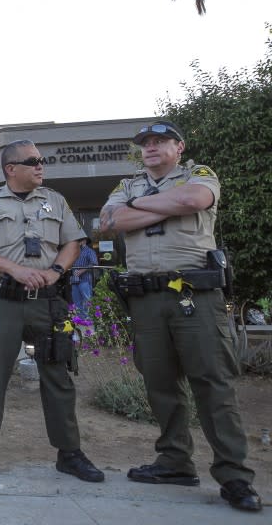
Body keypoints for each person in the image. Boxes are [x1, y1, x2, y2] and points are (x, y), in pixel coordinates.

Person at [100, 120, 261, 512]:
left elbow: (193, 201)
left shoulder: (198, 175)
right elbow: (109, 221)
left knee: (212, 382)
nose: (151, 148)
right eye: (146, 143)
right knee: (159, 383)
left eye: (160, 142)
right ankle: (174, 461)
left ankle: (235, 475)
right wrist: (157, 205)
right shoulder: (127, 185)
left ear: (179, 147)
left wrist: (136, 209)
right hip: (145, 298)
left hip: (194, 295)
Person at [0, 139, 104, 483]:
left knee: (58, 376)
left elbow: (74, 241)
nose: (41, 165)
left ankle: (70, 454)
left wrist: (56, 270)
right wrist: (14, 269)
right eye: (33, 161)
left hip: (49, 303)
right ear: (11, 169)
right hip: (2, 301)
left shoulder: (56, 200)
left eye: (42, 160)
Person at [70, 238, 98, 320]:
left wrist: (81, 271)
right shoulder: (74, 251)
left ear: (84, 241)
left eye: (80, 240)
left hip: (85, 279)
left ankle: (88, 319)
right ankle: (80, 319)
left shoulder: (89, 251)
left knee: (87, 300)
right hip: (74, 279)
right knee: (76, 300)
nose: (78, 242)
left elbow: (94, 264)